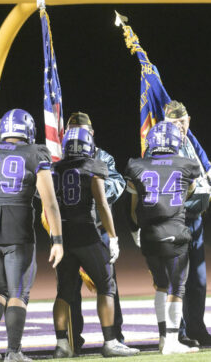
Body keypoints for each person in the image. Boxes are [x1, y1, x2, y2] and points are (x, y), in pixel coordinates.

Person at [0, 109, 65, 361]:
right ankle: (14, 352)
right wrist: (57, 240)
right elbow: (50, 202)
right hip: (17, 226)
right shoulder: (35, 153)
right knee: (18, 292)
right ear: (28, 130)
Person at [51, 128, 139, 358]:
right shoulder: (93, 166)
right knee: (106, 284)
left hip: (63, 234)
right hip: (87, 233)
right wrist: (113, 236)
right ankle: (110, 341)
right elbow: (102, 203)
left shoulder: (55, 169)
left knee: (64, 291)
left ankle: (62, 344)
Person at [125, 121, 200, 355]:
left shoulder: (137, 166)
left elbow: (133, 208)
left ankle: (162, 338)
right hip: (174, 233)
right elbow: (191, 189)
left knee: (160, 285)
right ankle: (171, 341)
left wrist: (137, 230)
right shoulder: (186, 164)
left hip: (149, 234)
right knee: (177, 288)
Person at [163, 100, 211, 346]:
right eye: (174, 122)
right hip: (176, 219)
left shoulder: (189, 140)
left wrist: (210, 170)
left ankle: (197, 329)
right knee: (177, 279)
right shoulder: (163, 145)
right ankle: (178, 334)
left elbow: (201, 162)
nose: (180, 126)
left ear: (189, 120)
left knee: (198, 280)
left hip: (196, 220)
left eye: (183, 121)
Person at [65, 112, 127, 351]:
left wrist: (90, 191)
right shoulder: (60, 156)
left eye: (83, 130)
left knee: (109, 285)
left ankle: (114, 336)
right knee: (68, 288)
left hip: (97, 229)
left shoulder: (103, 157)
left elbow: (117, 184)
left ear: (91, 133)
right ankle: (72, 340)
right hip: (70, 229)